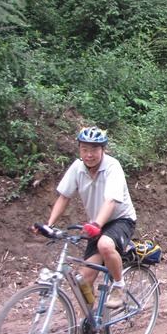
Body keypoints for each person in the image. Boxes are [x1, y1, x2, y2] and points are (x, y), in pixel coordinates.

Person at [36, 126, 137, 310]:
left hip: (120, 220)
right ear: (79, 149)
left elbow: (110, 201)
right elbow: (64, 197)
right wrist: (49, 225)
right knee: (82, 280)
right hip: (96, 224)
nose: (89, 154)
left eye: (94, 149)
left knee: (105, 244)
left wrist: (97, 224)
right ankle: (88, 322)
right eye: (84, 149)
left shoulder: (112, 166)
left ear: (103, 150)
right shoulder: (77, 168)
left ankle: (119, 286)